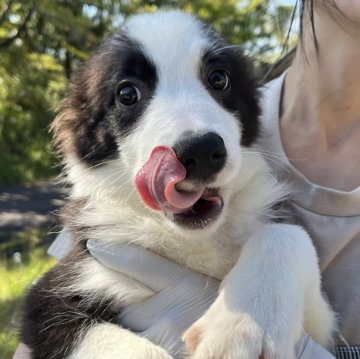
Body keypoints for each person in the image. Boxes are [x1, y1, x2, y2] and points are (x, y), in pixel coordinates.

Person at [14, 0, 360, 358]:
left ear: (246, 102)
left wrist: (284, 256)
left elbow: (320, 330)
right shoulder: (100, 231)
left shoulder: (266, 218)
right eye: (128, 95)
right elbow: (43, 325)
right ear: (83, 125)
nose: (192, 126)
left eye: (216, 80)